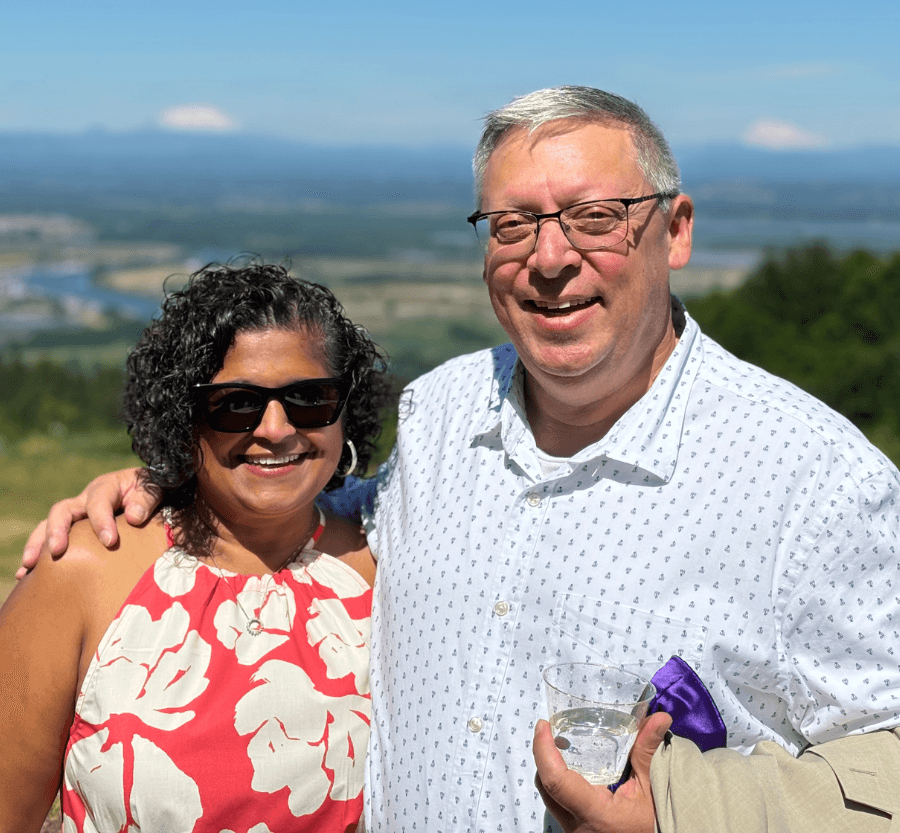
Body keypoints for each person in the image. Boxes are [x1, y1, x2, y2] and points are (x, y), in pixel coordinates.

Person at [20, 87, 900, 833]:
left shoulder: (813, 480)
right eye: (513, 225)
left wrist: (682, 810)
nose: (550, 259)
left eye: (595, 218)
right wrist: (169, 486)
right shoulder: (441, 413)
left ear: (675, 231)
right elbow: (298, 508)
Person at [1, 263, 388, 832]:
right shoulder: (85, 572)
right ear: (183, 418)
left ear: (345, 411)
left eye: (309, 398)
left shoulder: (388, 566)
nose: (276, 428)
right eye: (236, 403)